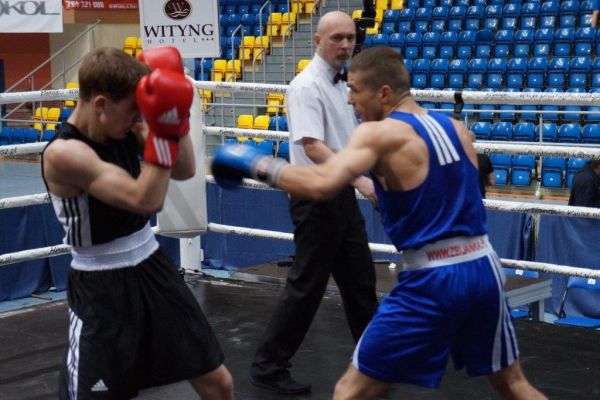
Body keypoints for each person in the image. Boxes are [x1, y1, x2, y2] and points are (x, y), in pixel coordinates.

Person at [211, 46, 547, 400]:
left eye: (355, 90)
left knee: (349, 390)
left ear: (383, 93)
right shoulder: (457, 129)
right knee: (513, 385)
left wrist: (255, 163)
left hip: (432, 277)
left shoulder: (379, 134)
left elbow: (320, 184)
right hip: (483, 267)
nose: (349, 100)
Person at [41, 47, 234, 399]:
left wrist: (177, 121)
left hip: (152, 265)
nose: (138, 118)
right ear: (101, 104)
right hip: (101, 285)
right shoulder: (65, 154)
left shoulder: (124, 124)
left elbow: (185, 169)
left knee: (218, 383)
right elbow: (145, 199)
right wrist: (162, 133)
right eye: (133, 110)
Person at [247, 11, 379, 395]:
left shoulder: (343, 84)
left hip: (340, 193)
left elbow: (344, 140)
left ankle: (376, 359)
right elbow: (312, 146)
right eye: (337, 38)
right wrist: (361, 180)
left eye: (350, 37)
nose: (345, 44)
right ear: (318, 41)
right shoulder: (306, 86)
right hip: (316, 196)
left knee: (360, 281)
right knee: (306, 286)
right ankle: (268, 366)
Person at [471, 132, 494, 198]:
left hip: (462, 197)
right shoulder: (485, 157)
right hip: (479, 196)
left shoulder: (459, 157)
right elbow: (492, 181)